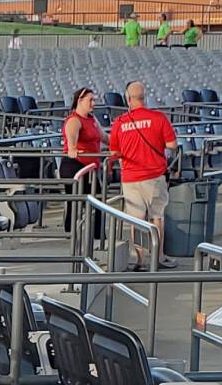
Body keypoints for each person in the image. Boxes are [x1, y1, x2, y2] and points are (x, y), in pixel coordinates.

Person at [109, 81, 178, 261]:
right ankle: (158, 256)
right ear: (143, 97)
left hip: (130, 177)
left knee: (136, 220)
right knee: (156, 217)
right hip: (155, 176)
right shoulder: (158, 118)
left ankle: (139, 259)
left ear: (128, 98)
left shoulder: (119, 122)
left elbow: (114, 152)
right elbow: (172, 145)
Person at [61, 87, 105, 186]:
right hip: (76, 166)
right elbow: (71, 139)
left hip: (89, 169)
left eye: (94, 100)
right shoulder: (74, 120)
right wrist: (72, 149)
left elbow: (104, 137)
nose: (93, 103)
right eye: (90, 100)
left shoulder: (92, 118)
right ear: (80, 100)